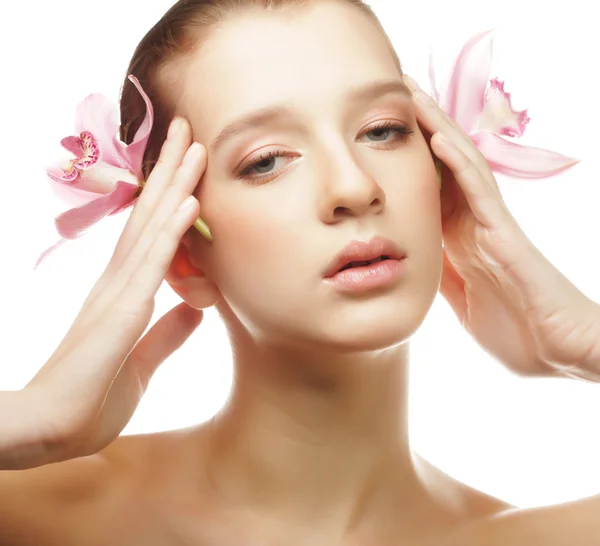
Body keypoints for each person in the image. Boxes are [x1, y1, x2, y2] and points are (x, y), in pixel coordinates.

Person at [1, 0, 599, 544]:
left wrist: (586, 339)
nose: (354, 187)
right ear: (183, 252)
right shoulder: (41, 514)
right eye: (266, 161)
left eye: (384, 130)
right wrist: (33, 419)